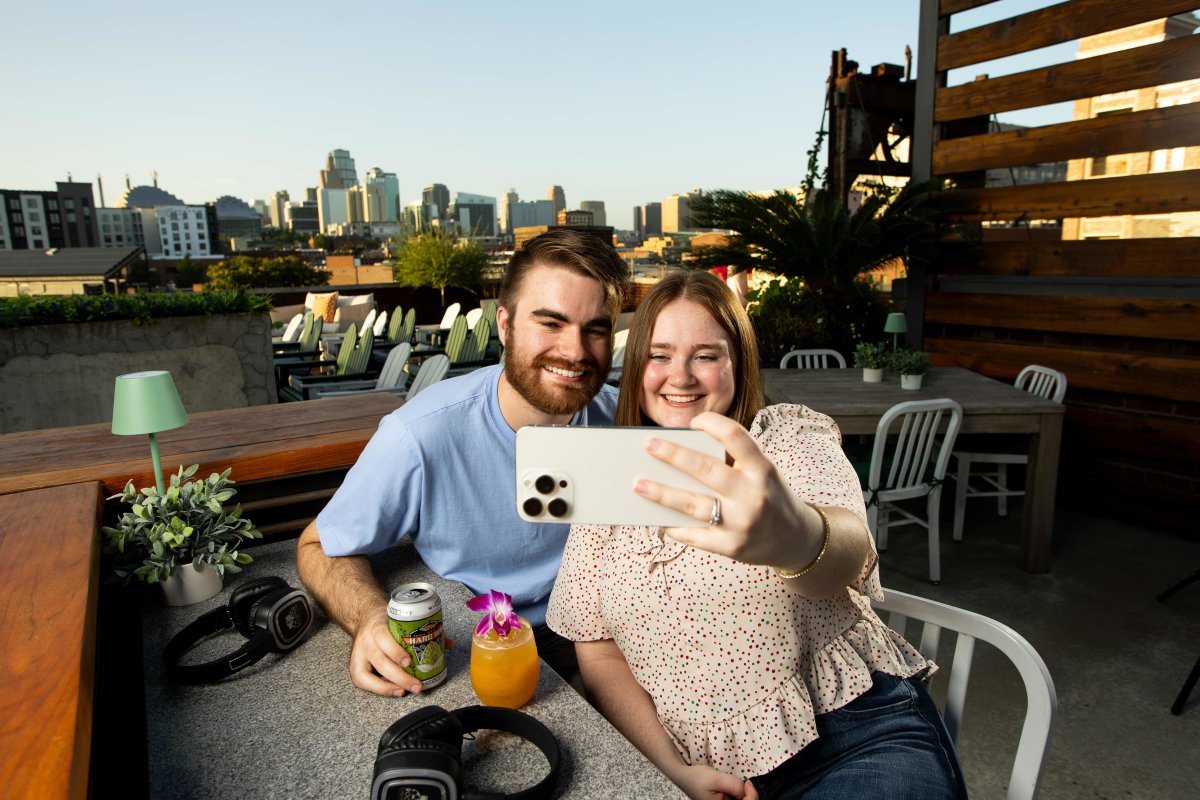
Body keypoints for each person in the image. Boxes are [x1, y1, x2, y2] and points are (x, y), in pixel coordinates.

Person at [547, 270, 967, 800]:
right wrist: (675, 771)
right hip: (692, 765)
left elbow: (849, 552)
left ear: (738, 362)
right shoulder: (605, 485)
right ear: (636, 369)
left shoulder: (788, 439)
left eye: (706, 354)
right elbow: (600, 651)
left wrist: (793, 539)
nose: (681, 376)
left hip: (851, 735)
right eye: (659, 355)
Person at [298, 229, 629, 698]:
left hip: (613, 626)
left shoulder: (626, 421)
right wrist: (370, 619)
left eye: (594, 328)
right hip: (492, 638)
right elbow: (318, 546)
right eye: (550, 323)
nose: (575, 351)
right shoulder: (420, 435)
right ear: (505, 325)